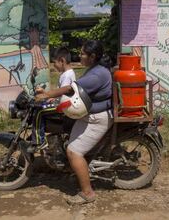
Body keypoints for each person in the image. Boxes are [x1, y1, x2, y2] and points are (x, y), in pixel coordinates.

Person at [35, 40, 113, 205]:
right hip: (89, 116)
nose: (80, 55)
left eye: (83, 53)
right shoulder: (94, 69)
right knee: (69, 140)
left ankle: (87, 193)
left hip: (97, 119)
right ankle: (78, 170)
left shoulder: (97, 74)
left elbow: (71, 88)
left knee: (74, 152)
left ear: (92, 57)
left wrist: (47, 95)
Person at [29, 47, 76, 152]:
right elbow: (62, 92)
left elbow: (64, 91)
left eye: (54, 62)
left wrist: (48, 96)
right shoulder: (68, 74)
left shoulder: (67, 75)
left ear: (62, 61)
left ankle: (39, 141)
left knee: (39, 111)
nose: (53, 66)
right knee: (43, 105)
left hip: (64, 106)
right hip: (64, 103)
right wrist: (51, 98)